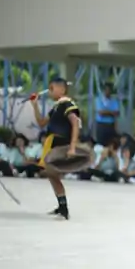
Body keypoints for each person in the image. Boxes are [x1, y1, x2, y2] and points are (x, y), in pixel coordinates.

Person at [30, 78, 82, 220]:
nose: (50, 91)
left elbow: (75, 124)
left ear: (62, 89)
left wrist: (72, 147)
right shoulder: (56, 107)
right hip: (52, 142)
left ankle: (63, 207)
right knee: (51, 174)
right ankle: (62, 205)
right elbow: (41, 123)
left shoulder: (68, 104)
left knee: (52, 173)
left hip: (61, 143)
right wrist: (35, 105)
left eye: (52, 88)